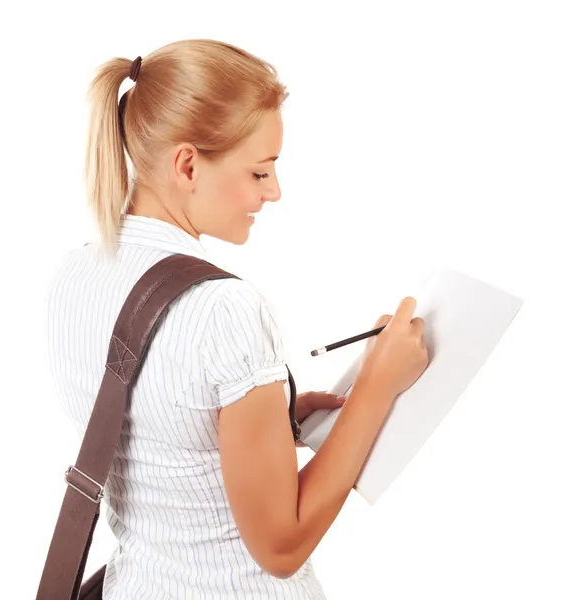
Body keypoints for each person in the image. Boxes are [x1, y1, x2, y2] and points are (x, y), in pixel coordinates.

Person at [46, 38, 429, 599]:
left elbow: (154, 439)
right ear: (187, 164)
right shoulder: (222, 309)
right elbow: (280, 547)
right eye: (259, 172)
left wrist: (273, 422)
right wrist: (376, 385)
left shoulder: (74, 277)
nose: (275, 191)